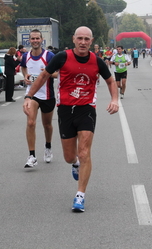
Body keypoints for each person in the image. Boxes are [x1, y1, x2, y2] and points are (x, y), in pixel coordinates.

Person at [23, 26, 119, 212]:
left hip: (87, 110)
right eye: (80, 38)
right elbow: (43, 76)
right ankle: (74, 164)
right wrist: (28, 97)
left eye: (87, 39)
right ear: (74, 39)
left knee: (84, 152)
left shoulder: (96, 61)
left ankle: (80, 195)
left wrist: (115, 99)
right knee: (70, 157)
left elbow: (110, 80)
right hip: (66, 110)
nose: (83, 42)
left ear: (91, 41)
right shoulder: (62, 57)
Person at [21, 29, 56, 167]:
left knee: (47, 125)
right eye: (32, 39)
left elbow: (59, 73)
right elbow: (24, 68)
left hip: (47, 95)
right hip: (32, 95)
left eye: (37, 38)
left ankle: (48, 147)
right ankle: (32, 156)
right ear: (29, 40)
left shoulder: (49, 56)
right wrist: (25, 76)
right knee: (30, 123)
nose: (35, 41)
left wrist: (47, 74)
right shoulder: (25, 56)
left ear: (42, 40)